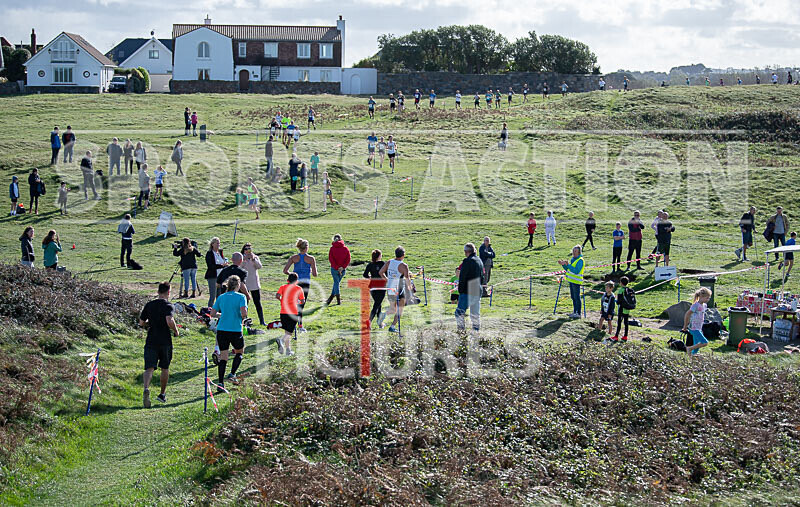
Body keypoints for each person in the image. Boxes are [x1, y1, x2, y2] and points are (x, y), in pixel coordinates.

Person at [138, 282, 179, 407]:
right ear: (168, 292)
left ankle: (146, 388)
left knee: (149, 367)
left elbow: (141, 322)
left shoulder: (149, 305)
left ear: (158, 291)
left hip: (151, 339)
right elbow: (169, 320)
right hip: (165, 340)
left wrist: (148, 324)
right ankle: (162, 394)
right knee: (164, 367)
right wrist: (176, 331)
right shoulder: (168, 305)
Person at [210, 276, 248, 390]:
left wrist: (222, 315)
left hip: (222, 330)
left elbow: (212, 313)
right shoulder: (241, 297)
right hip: (235, 329)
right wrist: (243, 317)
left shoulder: (221, 297)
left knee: (223, 357)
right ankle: (232, 373)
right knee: (239, 352)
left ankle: (220, 383)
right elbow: (243, 313)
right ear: (238, 285)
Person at [283, 238, 317, 332]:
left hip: (295, 282)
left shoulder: (293, 258)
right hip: (305, 283)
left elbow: (285, 270)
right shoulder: (311, 259)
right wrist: (309, 271)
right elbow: (315, 274)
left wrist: (292, 274)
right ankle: (300, 326)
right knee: (301, 305)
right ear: (306, 248)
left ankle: (290, 323)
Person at [378, 246, 412, 333]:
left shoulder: (389, 262)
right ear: (403, 255)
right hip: (399, 288)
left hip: (390, 288)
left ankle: (383, 315)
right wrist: (410, 288)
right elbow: (407, 278)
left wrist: (387, 280)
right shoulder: (404, 266)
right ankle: (392, 326)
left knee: (393, 309)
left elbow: (380, 272)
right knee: (400, 309)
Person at [455, 243, 484, 332]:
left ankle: (461, 331)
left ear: (466, 251)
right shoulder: (479, 260)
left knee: (459, 313)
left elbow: (463, 277)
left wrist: (460, 290)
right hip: (477, 290)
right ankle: (476, 332)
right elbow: (482, 276)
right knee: (475, 314)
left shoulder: (467, 261)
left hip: (467, 290)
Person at [276, 273, 305, 355]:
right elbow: (303, 301)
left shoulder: (283, 287)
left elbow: (277, 296)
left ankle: (288, 350)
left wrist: (281, 300)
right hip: (293, 312)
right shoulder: (298, 288)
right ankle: (281, 341)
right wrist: (298, 302)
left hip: (283, 312)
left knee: (287, 332)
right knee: (289, 333)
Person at [683, 287, 712, 355]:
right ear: (701, 296)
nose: (708, 299)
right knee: (704, 342)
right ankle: (689, 348)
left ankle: (692, 355)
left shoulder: (704, 305)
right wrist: (685, 326)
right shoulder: (695, 305)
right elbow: (687, 314)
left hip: (699, 327)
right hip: (693, 327)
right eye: (707, 298)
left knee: (697, 343)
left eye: (709, 298)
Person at [559, 245, 584, 319]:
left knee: (577, 297)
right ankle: (575, 312)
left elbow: (576, 271)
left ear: (579, 252)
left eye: (575, 251)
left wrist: (568, 265)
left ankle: (578, 313)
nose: (573, 252)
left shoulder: (580, 260)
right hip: (571, 281)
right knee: (573, 297)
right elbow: (568, 270)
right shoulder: (573, 259)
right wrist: (564, 265)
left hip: (576, 282)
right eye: (573, 251)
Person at [363, 249, 386, 325]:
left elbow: (365, 275)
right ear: (379, 256)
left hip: (372, 286)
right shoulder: (383, 264)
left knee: (378, 303)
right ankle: (369, 321)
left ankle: (380, 322)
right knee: (377, 305)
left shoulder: (370, 264)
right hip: (381, 286)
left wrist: (371, 277)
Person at [327, 234, 351, 306]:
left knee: (336, 283)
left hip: (334, 269)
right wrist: (342, 267)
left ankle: (336, 299)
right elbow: (348, 259)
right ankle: (331, 298)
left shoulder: (332, 249)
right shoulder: (345, 249)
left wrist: (337, 267)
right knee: (336, 283)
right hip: (342, 270)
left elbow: (331, 259)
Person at [205, 237, 227, 307]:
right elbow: (211, 266)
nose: (218, 245)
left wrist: (225, 264)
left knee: (219, 296)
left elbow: (223, 261)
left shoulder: (220, 252)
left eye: (219, 243)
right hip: (212, 276)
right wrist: (222, 265)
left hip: (220, 277)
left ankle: (218, 311)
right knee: (213, 295)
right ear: (212, 244)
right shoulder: (209, 253)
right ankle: (209, 311)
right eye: (217, 243)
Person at [613, 276, 632, 342]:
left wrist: (615, 301)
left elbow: (619, 301)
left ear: (621, 283)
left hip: (622, 308)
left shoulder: (620, 290)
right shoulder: (628, 290)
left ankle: (616, 336)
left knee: (619, 323)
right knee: (626, 323)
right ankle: (625, 336)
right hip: (627, 309)